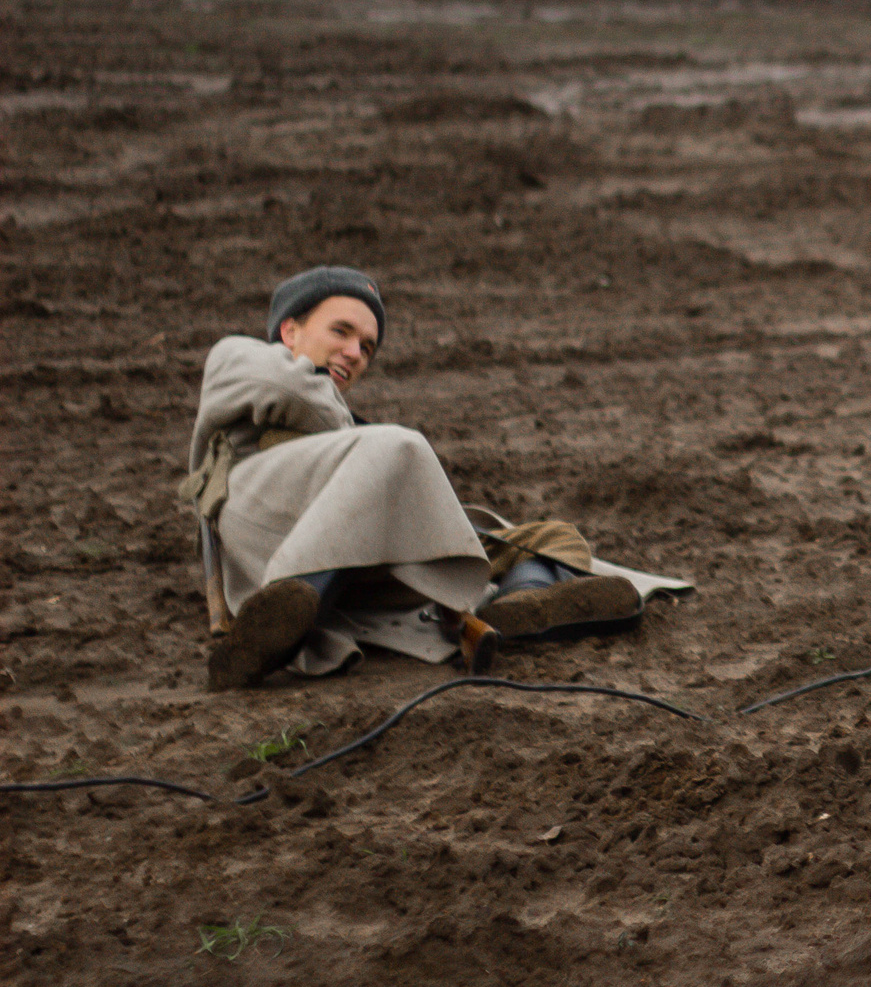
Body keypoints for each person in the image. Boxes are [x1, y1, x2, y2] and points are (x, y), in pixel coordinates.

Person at [189, 266, 678, 688]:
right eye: (341, 331)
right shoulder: (240, 355)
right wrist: (357, 434)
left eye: (366, 346)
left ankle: (519, 603)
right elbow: (290, 391)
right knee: (397, 446)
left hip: (337, 543)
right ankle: (282, 616)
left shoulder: (352, 433)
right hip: (261, 525)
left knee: (544, 540)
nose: (355, 352)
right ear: (290, 330)